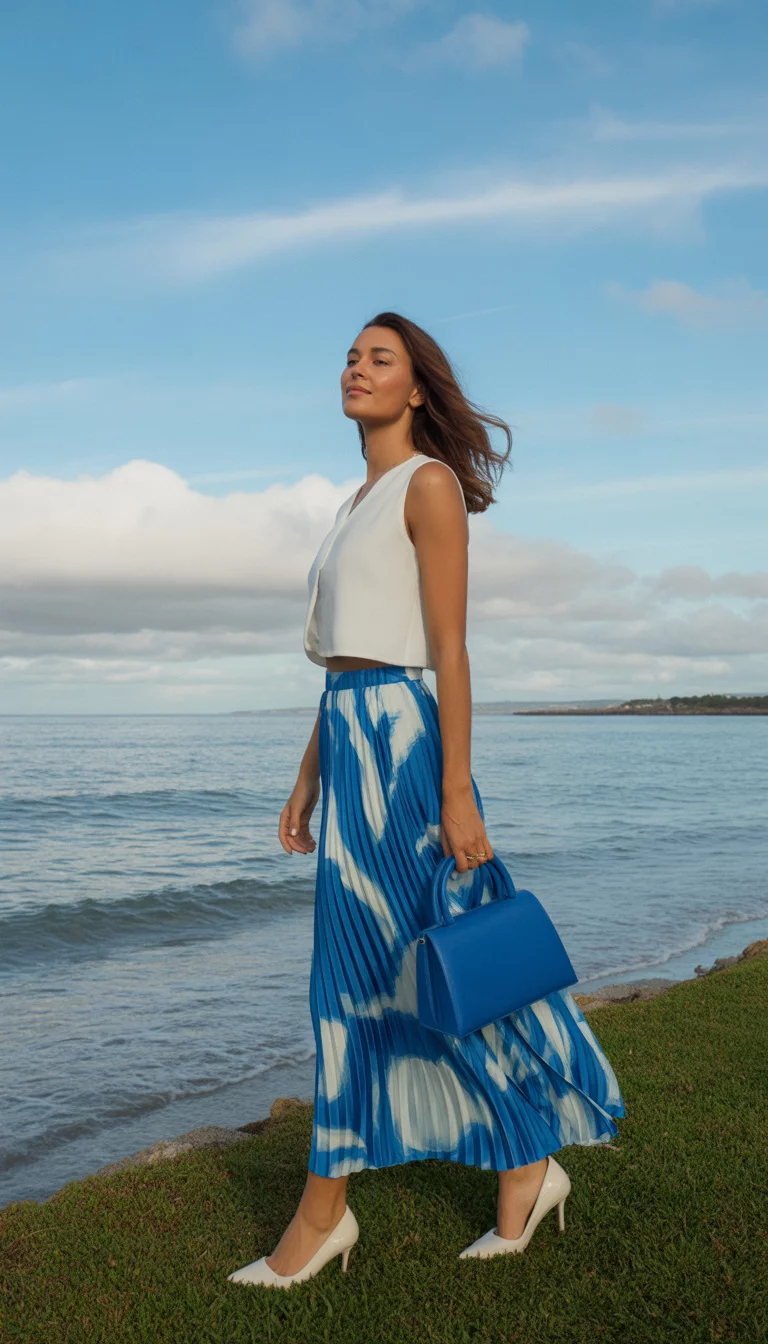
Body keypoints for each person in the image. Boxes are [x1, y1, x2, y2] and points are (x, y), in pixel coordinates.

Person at [227, 311, 625, 1289]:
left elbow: (445, 650)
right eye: (352, 357)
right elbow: (342, 657)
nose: (358, 370)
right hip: (347, 737)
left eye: (381, 359)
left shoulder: (428, 486)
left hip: (404, 749)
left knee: (436, 969)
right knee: (363, 983)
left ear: (415, 390)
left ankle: (333, 1214)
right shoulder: (347, 504)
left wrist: (456, 791)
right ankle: (521, 1166)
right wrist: (307, 775)